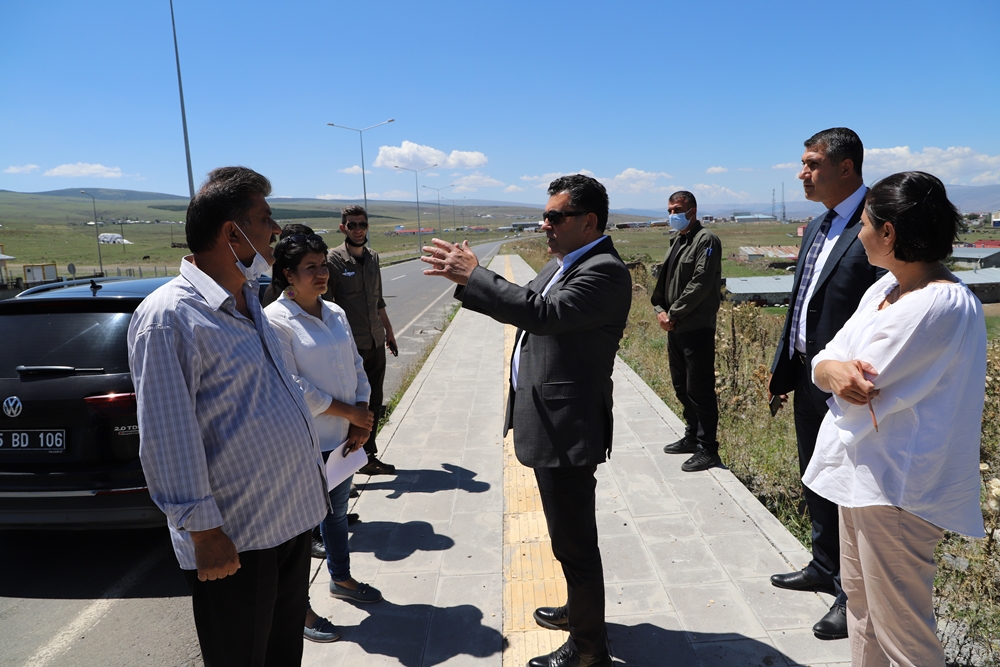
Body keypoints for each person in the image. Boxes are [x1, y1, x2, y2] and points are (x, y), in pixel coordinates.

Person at [421, 174, 631, 667]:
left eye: (555, 217)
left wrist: (476, 276)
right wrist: (471, 280)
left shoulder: (603, 270)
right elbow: (525, 304)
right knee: (565, 538)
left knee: (576, 544)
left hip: (569, 429)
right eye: (544, 216)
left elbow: (543, 315)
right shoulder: (565, 264)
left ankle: (589, 650)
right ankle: (578, 611)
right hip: (550, 421)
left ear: (589, 221)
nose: (545, 225)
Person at [128, 166, 329, 667]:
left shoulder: (248, 300)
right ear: (231, 233)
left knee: (283, 655)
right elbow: (167, 436)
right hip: (236, 542)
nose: (276, 230)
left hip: (288, 523)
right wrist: (202, 532)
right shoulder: (169, 317)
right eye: (265, 219)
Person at [804, 171, 986, 665]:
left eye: (865, 224)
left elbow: (861, 386)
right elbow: (831, 357)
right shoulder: (888, 288)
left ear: (889, 233)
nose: (859, 233)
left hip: (898, 489)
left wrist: (833, 371)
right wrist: (830, 369)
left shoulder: (935, 304)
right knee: (862, 611)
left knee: (903, 633)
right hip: (864, 478)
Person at [767, 128, 883, 641]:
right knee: (815, 475)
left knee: (849, 486)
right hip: (807, 373)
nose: (802, 173)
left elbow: (884, 306)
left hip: (850, 383)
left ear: (846, 167)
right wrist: (783, 369)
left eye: (812, 163)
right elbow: (802, 302)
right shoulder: (817, 224)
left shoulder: (877, 223)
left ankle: (849, 593)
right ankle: (822, 563)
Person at [264, 232, 383, 644]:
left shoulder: (335, 312)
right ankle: (300, 609)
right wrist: (351, 413)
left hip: (343, 441)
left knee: (335, 516)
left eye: (322, 265)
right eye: (310, 268)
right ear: (288, 275)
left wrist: (361, 418)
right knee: (298, 531)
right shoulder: (276, 321)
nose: (321, 274)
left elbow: (356, 366)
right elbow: (294, 386)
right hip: (303, 443)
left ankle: (341, 579)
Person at [651, 190, 723, 472]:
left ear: (692, 211)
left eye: (678, 210)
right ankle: (692, 435)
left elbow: (700, 283)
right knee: (681, 385)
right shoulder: (678, 240)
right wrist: (660, 310)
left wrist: (674, 313)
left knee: (699, 388)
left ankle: (708, 448)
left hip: (696, 327)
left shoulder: (706, 240)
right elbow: (665, 281)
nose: (673, 215)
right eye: (670, 210)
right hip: (676, 327)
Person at [325, 204, 398, 476]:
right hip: (351, 346)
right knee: (354, 405)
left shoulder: (373, 258)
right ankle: (344, 462)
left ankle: (367, 456)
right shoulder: (333, 260)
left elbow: (378, 301)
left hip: (375, 341)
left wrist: (389, 332)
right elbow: (327, 307)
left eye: (362, 224)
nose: (358, 230)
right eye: (352, 225)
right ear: (343, 228)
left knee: (375, 401)